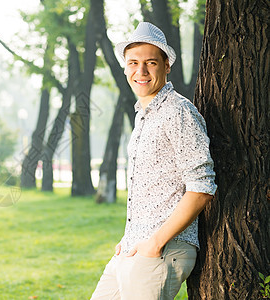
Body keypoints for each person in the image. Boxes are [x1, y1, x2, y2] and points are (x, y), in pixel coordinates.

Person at [90, 22, 217, 300]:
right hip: (133, 249)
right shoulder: (144, 116)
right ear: (125, 67)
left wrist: (155, 244)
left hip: (162, 250)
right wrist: (130, 239)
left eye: (150, 62)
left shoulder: (178, 112)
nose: (141, 71)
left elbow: (202, 188)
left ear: (166, 65)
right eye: (133, 63)